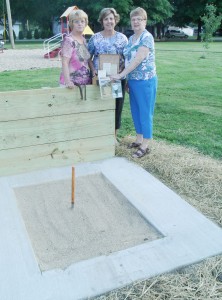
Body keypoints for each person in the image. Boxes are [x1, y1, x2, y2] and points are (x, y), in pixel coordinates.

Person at [111, 7, 158, 158]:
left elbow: (138, 60)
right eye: (133, 19)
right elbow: (128, 60)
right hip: (133, 81)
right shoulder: (131, 39)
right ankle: (138, 139)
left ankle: (145, 145)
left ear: (145, 21)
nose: (136, 21)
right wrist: (127, 80)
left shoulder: (147, 37)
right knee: (136, 112)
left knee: (145, 112)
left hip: (145, 81)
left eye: (139, 19)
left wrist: (120, 75)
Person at [88, 8, 128, 140]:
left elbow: (127, 59)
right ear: (102, 21)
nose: (109, 21)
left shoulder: (122, 38)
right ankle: (100, 135)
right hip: (101, 79)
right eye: (106, 19)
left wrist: (123, 74)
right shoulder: (95, 38)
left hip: (116, 79)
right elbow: (88, 56)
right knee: (101, 106)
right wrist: (93, 70)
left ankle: (113, 136)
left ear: (115, 20)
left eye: (111, 18)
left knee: (116, 107)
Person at [59, 9, 92, 88]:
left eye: (82, 21)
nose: (79, 24)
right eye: (76, 21)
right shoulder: (68, 40)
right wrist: (68, 82)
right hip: (71, 85)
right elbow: (64, 63)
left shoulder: (83, 40)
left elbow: (87, 61)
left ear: (85, 24)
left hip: (84, 84)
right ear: (71, 24)